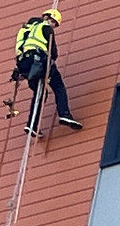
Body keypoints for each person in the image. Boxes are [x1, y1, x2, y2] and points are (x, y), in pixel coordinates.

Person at [11, 8, 82, 136]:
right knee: (58, 86)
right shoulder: (45, 27)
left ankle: (31, 125)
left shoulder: (25, 30)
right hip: (40, 62)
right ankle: (64, 114)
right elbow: (53, 51)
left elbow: (19, 50)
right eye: (54, 22)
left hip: (25, 65)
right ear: (48, 18)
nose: (54, 26)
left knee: (40, 93)